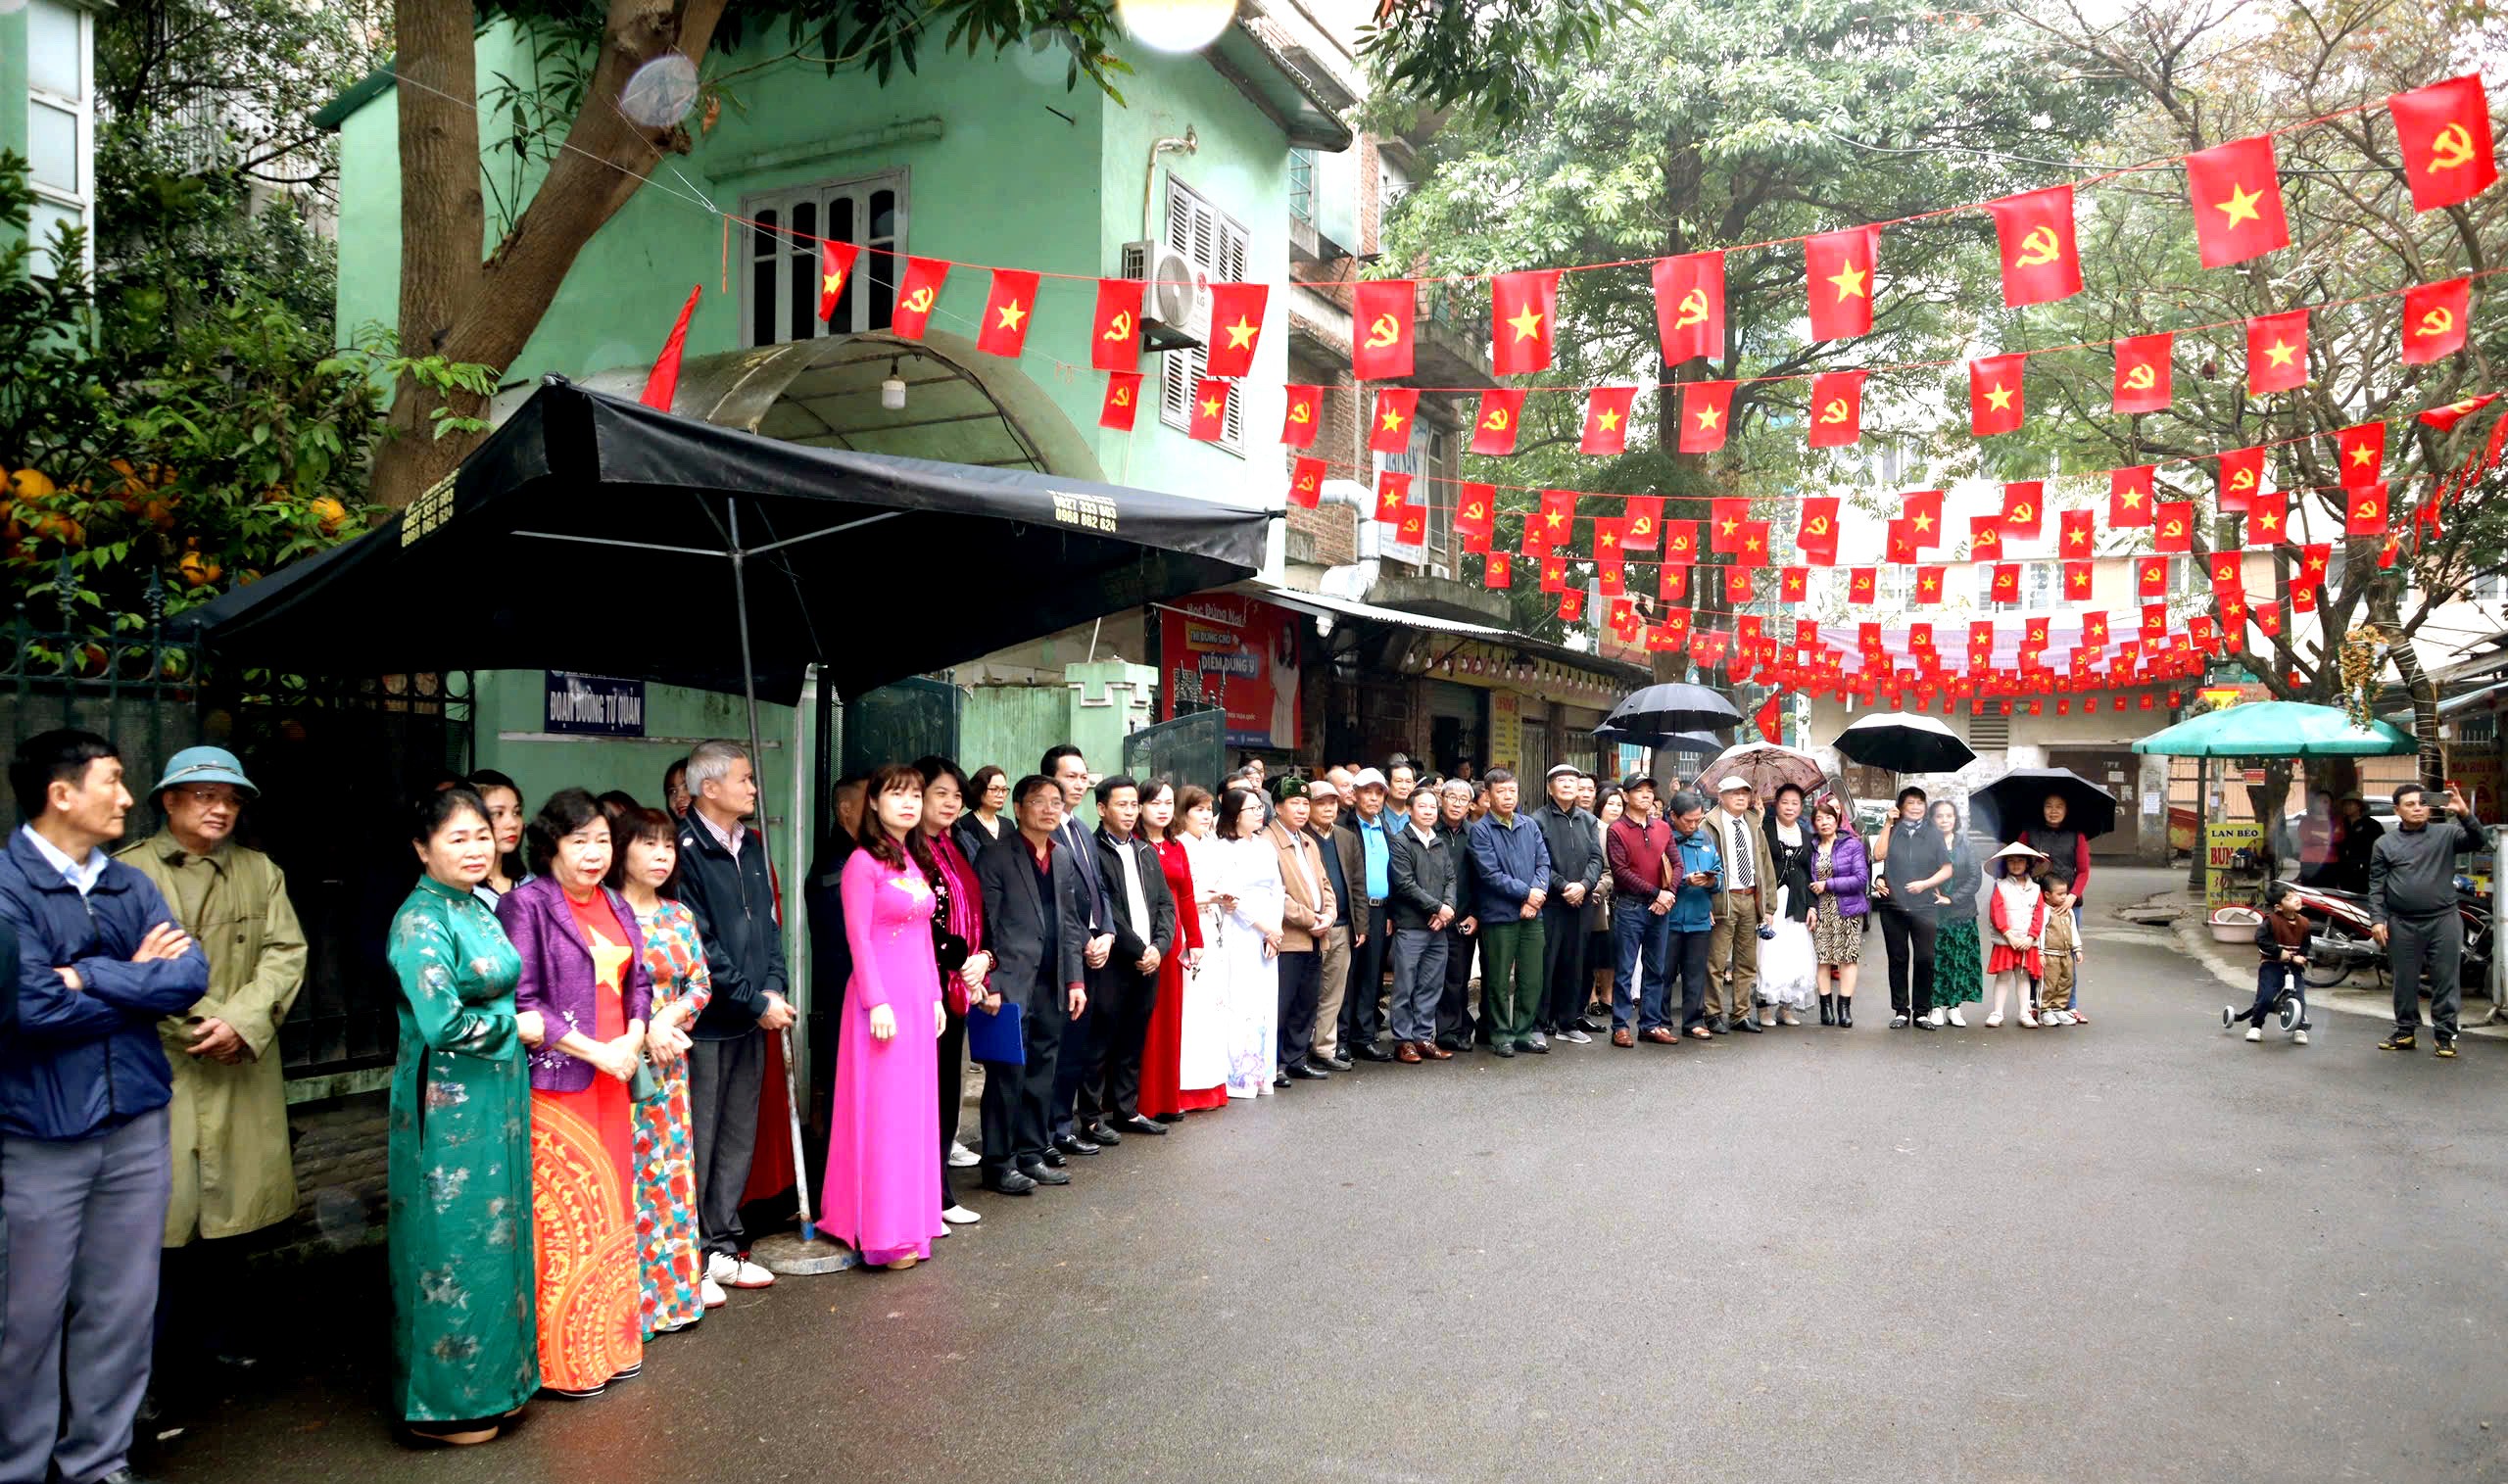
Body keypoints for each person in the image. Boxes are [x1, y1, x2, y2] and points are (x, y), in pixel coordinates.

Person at [0, 730, 211, 1475]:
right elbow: (30, 1008)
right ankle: (18, 1467)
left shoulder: (128, 882)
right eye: (112, 780)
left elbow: (188, 977)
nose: (126, 797)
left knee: (121, 1308)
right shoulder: (8, 886)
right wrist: (132, 980)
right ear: (61, 794)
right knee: (25, 1317)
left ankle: (97, 1461)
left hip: (137, 1122)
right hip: (40, 1130)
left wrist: (87, 976)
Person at [119, 746, 308, 1382]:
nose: (220, 808)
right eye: (204, 795)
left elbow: (285, 952)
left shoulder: (260, 870)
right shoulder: (129, 873)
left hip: (239, 1062)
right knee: (157, 1223)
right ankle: (141, 1369)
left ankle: (218, 1338)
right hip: (163, 1064)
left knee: (232, 1218)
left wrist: (243, 1023)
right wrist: (207, 1024)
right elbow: (123, 967)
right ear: (168, 800)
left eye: (230, 798)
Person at [499, 790, 650, 1398]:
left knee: (612, 1209)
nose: (593, 854)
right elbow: (523, 999)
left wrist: (633, 1036)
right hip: (562, 1081)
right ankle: (566, 1363)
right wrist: (597, 1051)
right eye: (578, 841)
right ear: (551, 846)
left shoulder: (615, 901)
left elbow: (639, 982)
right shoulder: (526, 904)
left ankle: (614, 1344)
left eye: (602, 841)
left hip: (615, 1072)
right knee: (566, 1219)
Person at [814, 764, 946, 1270]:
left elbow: (923, 938)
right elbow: (858, 938)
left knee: (914, 1112)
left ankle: (913, 1221)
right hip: (881, 1001)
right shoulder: (861, 862)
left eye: (915, 795)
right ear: (873, 802)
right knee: (885, 1114)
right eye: (896, 795)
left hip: (916, 999)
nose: (909, 804)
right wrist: (877, 1001)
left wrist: (934, 996)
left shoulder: (913, 859)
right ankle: (882, 1230)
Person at [675, 741, 791, 1293]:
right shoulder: (685, 851)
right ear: (709, 787)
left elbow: (768, 925)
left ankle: (723, 1243)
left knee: (738, 1135)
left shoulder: (752, 843)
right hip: (705, 1021)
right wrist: (754, 999)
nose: (753, 788)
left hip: (751, 1015)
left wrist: (773, 987)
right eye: (744, 779)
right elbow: (700, 944)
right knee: (698, 1138)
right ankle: (691, 1254)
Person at [607, 806, 715, 1331]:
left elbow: (700, 983)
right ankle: (627, 1311)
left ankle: (671, 1301)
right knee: (625, 1181)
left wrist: (668, 1019)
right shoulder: (604, 914)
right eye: (648, 844)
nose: (661, 855)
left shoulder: (678, 915)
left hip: (670, 1066)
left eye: (668, 846)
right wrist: (644, 1027)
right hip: (618, 1065)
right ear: (621, 849)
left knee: (668, 1177)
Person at [971, 775, 1088, 1193]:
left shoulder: (1061, 857)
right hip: (1009, 983)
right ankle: (998, 1163)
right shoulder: (994, 856)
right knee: (1007, 1076)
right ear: (1018, 808)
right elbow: (984, 922)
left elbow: (1070, 923)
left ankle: (1032, 1154)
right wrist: (990, 981)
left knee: (1042, 1072)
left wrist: (1075, 979)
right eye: (1039, 801)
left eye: (1056, 801)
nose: (1049, 809)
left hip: (1051, 982)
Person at [1080, 775, 1178, 1141]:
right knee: (1100, 1041)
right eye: (1121, 804)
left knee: (1133, 1040)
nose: (1130, 811)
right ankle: (1090, 1117)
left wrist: (1159, 948)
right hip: (1114, 961)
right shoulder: (1092, 852)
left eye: (1134, 804)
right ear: (1101, 808)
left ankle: (1127, 1110)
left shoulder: (1145, 851)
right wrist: (1140, 949)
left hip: (1149, 960)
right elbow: (1106, 909)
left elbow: (1165, 904)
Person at [912, 759, 988, 1226]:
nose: (951, 803)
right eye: (940, 793)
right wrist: (963, 959)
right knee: (924, 1096)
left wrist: (984, 959)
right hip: (925, 984)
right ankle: (926, 1196)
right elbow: (922, 921)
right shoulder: (908, 850)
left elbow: (978, 909)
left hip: (958, 983)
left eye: (957, 795)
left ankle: (939, 1192)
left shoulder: (952, 844)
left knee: (945, 1091)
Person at [1043, 745, 1118, 1156]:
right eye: (1069, 776)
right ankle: (1045, 1133)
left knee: (1077, 1046)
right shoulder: (1045, 832)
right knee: (1055, 1047)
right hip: (1064, 954)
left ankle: (1063, 1126)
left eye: (1082, 776)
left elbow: (1099, 888)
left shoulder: (1083, 830)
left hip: (1094, 950)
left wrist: (1106, 932)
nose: (1079, 783)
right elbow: (1058, 900)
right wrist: (1084, 939)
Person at [2371, 782, 2480, 1057]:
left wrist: (2464, 814)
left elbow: (2481, 841)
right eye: (2410, 804)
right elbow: (2376, 886)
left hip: (2444, 920)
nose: (2417, 808)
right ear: (2397, 810)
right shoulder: (2384, 844)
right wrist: (2377, 920)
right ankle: (2405, 1031)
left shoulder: (2447, 834)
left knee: (2445, 979)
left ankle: (2445, 1035)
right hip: (2402, 923)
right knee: (2404, 980)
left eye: (2422, 803)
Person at [1139, 782, 1226, 1118]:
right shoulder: (1137, 845)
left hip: (1177, 940)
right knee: (1148, 1020)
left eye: (1167, 803)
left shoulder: (1175, 847)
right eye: (1155, 803)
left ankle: (1169, 1096)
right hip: (1145, 938)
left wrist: (1196, 940)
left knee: (1175, 1019)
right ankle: (1144, 1098)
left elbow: (1187, 896)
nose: (1162, 809)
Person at [1468, 767, 1553, 1058]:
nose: (1508, 796)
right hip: (1499, 915)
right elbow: (1490, 874)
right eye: (1501, 791)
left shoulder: (1529, 825)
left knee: (1532, 977)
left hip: (1532, 913)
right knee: (1498, 979)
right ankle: (1500, 1033)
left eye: (1512, 791)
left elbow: (1543, 863)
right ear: (1488, 796)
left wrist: (1535, 896)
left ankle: (1523, 1031)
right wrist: (1527, 893)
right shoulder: (1480, 830)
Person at [1208, 787, 1282, 1097]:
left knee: (1265, 1001)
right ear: (1234, 814)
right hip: (1241, 930)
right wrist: (1264, 927)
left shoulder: (1265, 848)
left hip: (1268, 931)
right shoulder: (1221, 849)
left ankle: (1263, 1073)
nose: (1259, 813)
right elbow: (1230, 898)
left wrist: (1275, 930)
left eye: (1260, 807)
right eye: (1252, 809)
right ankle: (1240, 1077)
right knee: (1241, 999)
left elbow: (1278, 890)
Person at [1265, 785, 1334, 1085]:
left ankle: (1296, 1058)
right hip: (1289, 938)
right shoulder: (1267, 841)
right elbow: (1274, 895)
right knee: (1282, 1003)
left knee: (1307, 1002)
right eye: (1295, 803)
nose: (1303, 809)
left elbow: (1325, 884)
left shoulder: (1307, 841)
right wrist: (1311, 918)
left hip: (1316, 936)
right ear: (1279, 807)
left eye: (1306, 803)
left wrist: (1329, 914)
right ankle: (1275, 1063)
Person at [1385, 781, 1456, 1062]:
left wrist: (1448, 907)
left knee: (1431, 984)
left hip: (1439, 927)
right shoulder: (1400, 842)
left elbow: (1450, 878)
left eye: (1432, 807)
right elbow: (1404, 884)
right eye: (1422, 806)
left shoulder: (1438, 842)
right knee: (1405, 986)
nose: (1428, 811)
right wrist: (1438, 908)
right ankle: (1403, 1040)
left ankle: (1423, 1037)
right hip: (1411, 926)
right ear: (1409, 810)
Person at [1532, 763, 1603, 1044]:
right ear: (1550, 788)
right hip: (1551, 903)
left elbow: (1596, 858)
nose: (1567, 785)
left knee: (1575, 963)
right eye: (1561, 781)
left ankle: (1568, 1022)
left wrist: (1584, 885)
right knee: (1545, 963)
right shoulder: (1537, 820)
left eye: (1572, 781)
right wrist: (1563, 886)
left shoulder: (1588, 820)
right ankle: (1538, 1023)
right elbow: (1539, 861)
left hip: (1581, 902)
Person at [1605, 775, 1676, 1047]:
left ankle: (1650, 1024)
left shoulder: (1663, 827)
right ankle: (1620, 1026)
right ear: (1626, 795)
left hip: (1661, 906)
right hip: (1630, 905)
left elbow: (1677, 863)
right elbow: (1621, 872)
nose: (1646, 795)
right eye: (1639, 790)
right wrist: (1656, 893)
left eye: (1649, 791)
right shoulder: (1617, 830)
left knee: (1656, 969)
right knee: (1625, 969)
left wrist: (1669, 894)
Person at [1872, 787, 1951, 1030]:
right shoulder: (1893, 830)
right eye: (1910, 803)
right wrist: (1888, 823)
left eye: (1920, 803)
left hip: (1924, 905)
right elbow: (1878, 855)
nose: (1916, 807)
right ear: (1900, 806)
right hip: (1893, 904)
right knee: (1898, 957)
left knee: (1925, 958)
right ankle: (1901, 1010)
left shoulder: (1932, 833)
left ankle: (1921, 1012)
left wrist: (1925, 884)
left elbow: (1947, 868)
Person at [1704, 776, 1771, 1035]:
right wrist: (1706, 903)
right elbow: (1703, 865)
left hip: (1750, 897)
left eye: (1745, 792)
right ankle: (1712, 1013)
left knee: (1747, 962)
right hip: (1724, 897)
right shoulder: (1709, 824)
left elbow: (1765, 866)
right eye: (1734, 793)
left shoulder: (1753, 824)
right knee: (1716, 961)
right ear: (1721, 797)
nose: (1741, 797)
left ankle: (1741, 1014)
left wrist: (1769, 907)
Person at [2019, 792, 2096, 1021]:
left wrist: (2072, 896)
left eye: (2059, 806)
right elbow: (2014, 862)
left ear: (2066, 810)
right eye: (2048, 806)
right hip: (2035, 902)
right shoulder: (2029, 833)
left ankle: (2069, 1005)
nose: (2053, 811)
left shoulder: (2076, 835)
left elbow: (2083, 871)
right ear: (2041, 809)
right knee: (2036, 952)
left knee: (2067, 954)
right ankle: (2035, 1003)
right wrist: (2033, 859)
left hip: (2067, 904)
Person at [1338, 768, 1397, 1061]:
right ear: (1355, 794)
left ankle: (1364, 1036)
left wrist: (1391, 912)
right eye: (1367, 792)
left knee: (1371, 977)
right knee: (1348, 977)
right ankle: (1341, 1038)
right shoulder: (1343, 827)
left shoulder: (1384, 826)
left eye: (1378, 793)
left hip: (1380, 910)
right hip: (1352, 910)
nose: (1373, 798)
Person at [1305, 779, 1361, 1073]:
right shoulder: (1301, 836)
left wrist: (1360, 924)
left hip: (1341, 925)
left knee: (1334, 992)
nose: (1328, 808)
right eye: (1321, 803)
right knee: (1305, 991)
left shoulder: (1346, 837)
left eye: (1332, 803)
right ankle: (1297, 1049)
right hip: (1308, 926)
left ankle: (1324, 1048)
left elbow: (1357, 883)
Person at [1757, 782, 1818, 1028]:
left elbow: (1811, 874)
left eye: (1795, 803)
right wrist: (1758, 819)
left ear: (1801, 807)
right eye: (1785, 802)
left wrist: (1813, 906)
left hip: (1797, 902)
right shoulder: (1764, 828)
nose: (1790, 807)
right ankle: (1763, 1008)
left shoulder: (1806, 836)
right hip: (1771, 901)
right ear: (1776, 804)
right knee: (1767, 953)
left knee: (1794, 954)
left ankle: (1786, 1007)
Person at [1806, 796, 1869, 1028]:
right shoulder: (1811, 848)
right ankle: (1826, 1008)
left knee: (1847, 958)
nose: (1824, 822)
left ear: (1837, 819)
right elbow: (1805, 880)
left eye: (1828, 818)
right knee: (1823, 958)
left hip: (1848, 909)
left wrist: (1828, 884)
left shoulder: (1852, 845)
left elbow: (1861, 879)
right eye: (1819, 819)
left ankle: (1844, 1008)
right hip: (1821, 910)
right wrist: (1811, 906)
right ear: (1814, 824)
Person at [1664, 790, 1723, 1039]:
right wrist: (1684, 881)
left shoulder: (1705, 839)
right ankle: (1660, 1021)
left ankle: (1693, 1022)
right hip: (1670, 917)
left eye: (1697, 819)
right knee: (1664, 973)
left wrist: (1711, 881)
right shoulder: (1664, 839)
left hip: (1700, 918)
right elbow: (1658, 877)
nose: (1693, 825)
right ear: (1673, 816)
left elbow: (1719, 874)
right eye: (1688, 820)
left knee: (1695, 974)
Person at [1924, 799, 1984, 1029]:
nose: (1944, 820)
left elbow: (1975, 878)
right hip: (1933, 911)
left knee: (1958, 959)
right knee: (1936, 959)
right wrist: (1932, 891)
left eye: (1949, 815)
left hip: (1962, 911)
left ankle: (1954, 1007)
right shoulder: (1926, 844)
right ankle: (1935, 1006)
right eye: (1939, 816)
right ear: (1932, 819)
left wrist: (1952, 898)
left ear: (1955, 818)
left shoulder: (1966, 844)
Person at [1433, 779, 1482, 1052]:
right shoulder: (1430, 830)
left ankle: (1456, 1029)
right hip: (1431, 915)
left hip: (1464, 917)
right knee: (1434, 978)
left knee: (1458, 977)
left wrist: (1475, 914)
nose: (1456, 803)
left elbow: (1481, 878)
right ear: (1441, 799)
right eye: (1451, 797)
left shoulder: (1475, 834)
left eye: (1463, 799)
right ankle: (1446, 1029)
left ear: (1470, 805)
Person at [2229, 884, 2310, 1045]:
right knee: (2266, 997)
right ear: (2279, 906)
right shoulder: (2271, 921)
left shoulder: (2304, 923)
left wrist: (2302, 955)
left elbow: (2306, 944)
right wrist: (2279, 952)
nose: (2296, 899)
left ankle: (2300, 1027)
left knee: (2299, 997)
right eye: (2289, 898)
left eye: (2296, 895)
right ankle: (2256, 1026)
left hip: (2294, 967)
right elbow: (2261, 939)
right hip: (2272, 964)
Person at [1984, 841, 2049, 1028]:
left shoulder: (2036, 889)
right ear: (2006, 864)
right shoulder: (2000, 886)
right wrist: (2009, 935)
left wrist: (2031, 937)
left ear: (2028, 863)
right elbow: (1996, 912)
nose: (2016, 864)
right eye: (2011, 861)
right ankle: (1997, 1012)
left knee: (2023, 977)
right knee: (2003, 977)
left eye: (2020, 860)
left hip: (2027, 942)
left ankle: (2024, 1013)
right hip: (2006, 941)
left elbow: (2039, 915)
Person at [1584, 784, 1621, 1025]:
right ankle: (1591, 997)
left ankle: (1608, 995)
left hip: (1620, 897)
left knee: (1611, 949)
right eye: (1610, 804)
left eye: (1619, 804)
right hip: (1596, 895)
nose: (1615, 808)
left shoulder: (1623, 829)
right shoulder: (1594, 828)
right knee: (1591, 949)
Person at [468, 769, 528, 906]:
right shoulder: (461, 890)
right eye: (498, 813)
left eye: (516, 812)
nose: (513, 824)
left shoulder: (530, 882)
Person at [2040, 874, 2083, 1029]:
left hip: (2066, 953)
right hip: (2050, 954)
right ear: (2047, 894)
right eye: (2060, 894)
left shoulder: (2068, 911)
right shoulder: (2045, 912)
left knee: (2066, 981)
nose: (2064, 897)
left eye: (2065, 893)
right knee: (2049, 983)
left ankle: (2058, 1008)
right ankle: (2044, 1010)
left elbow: (2073, 930)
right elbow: (2040, 932)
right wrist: (2040, 952)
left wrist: (2077, 949)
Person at [2332, 792, 2382, 894]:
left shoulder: (2372, 824)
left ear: (2359, 806)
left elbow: (2379, 846)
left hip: (2364, 869)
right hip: (2343, 868)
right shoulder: (2340, 823)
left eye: (2350, 804)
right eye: (2345, 805)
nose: (2347, 807)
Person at [958, 765, 1012, 859]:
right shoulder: (964, 824)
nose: (1000, 795)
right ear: (979, 790)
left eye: (1004, 790)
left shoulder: (1008, 824)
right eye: (994, 789)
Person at [2295, 790, 2337, 887]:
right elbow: (2305, 836)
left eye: (2325, 802)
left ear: (2331, 805)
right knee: (2310, 890)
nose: (2322, 804)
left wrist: (2314, 833)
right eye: (2319, 801)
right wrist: (2327, 838)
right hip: (2309, 861)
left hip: (2330, 862)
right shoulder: (2306, 820)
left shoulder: (2336, 820)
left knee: (2329, 891)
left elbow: (2338, 837)